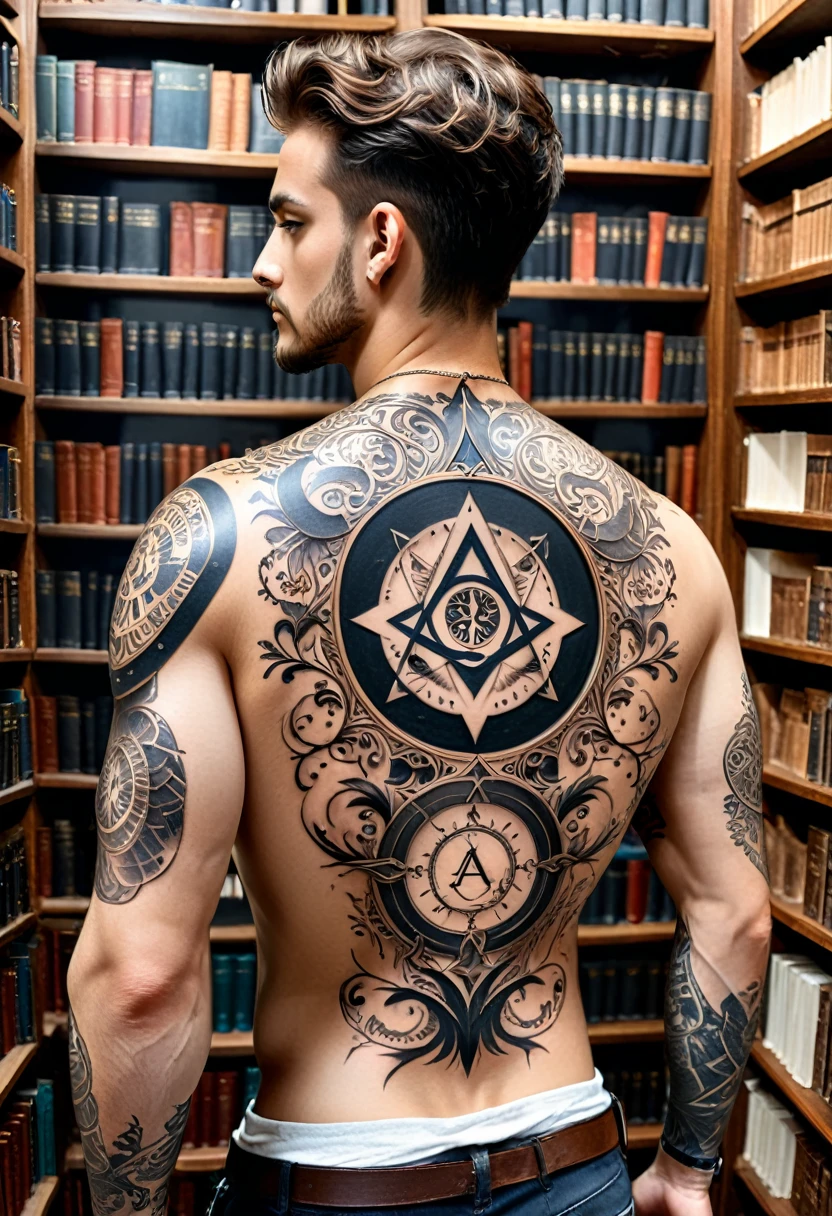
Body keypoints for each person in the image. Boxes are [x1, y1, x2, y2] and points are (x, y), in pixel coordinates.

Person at [65, 27, 772, 1216]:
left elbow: (140, 977)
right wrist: (689, 1169)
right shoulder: (672, 551)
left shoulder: (217, 538)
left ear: (380, 240)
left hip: (336, 1187)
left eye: (290, 221)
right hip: (578, 1170)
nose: (260, 262)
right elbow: (735, 909)